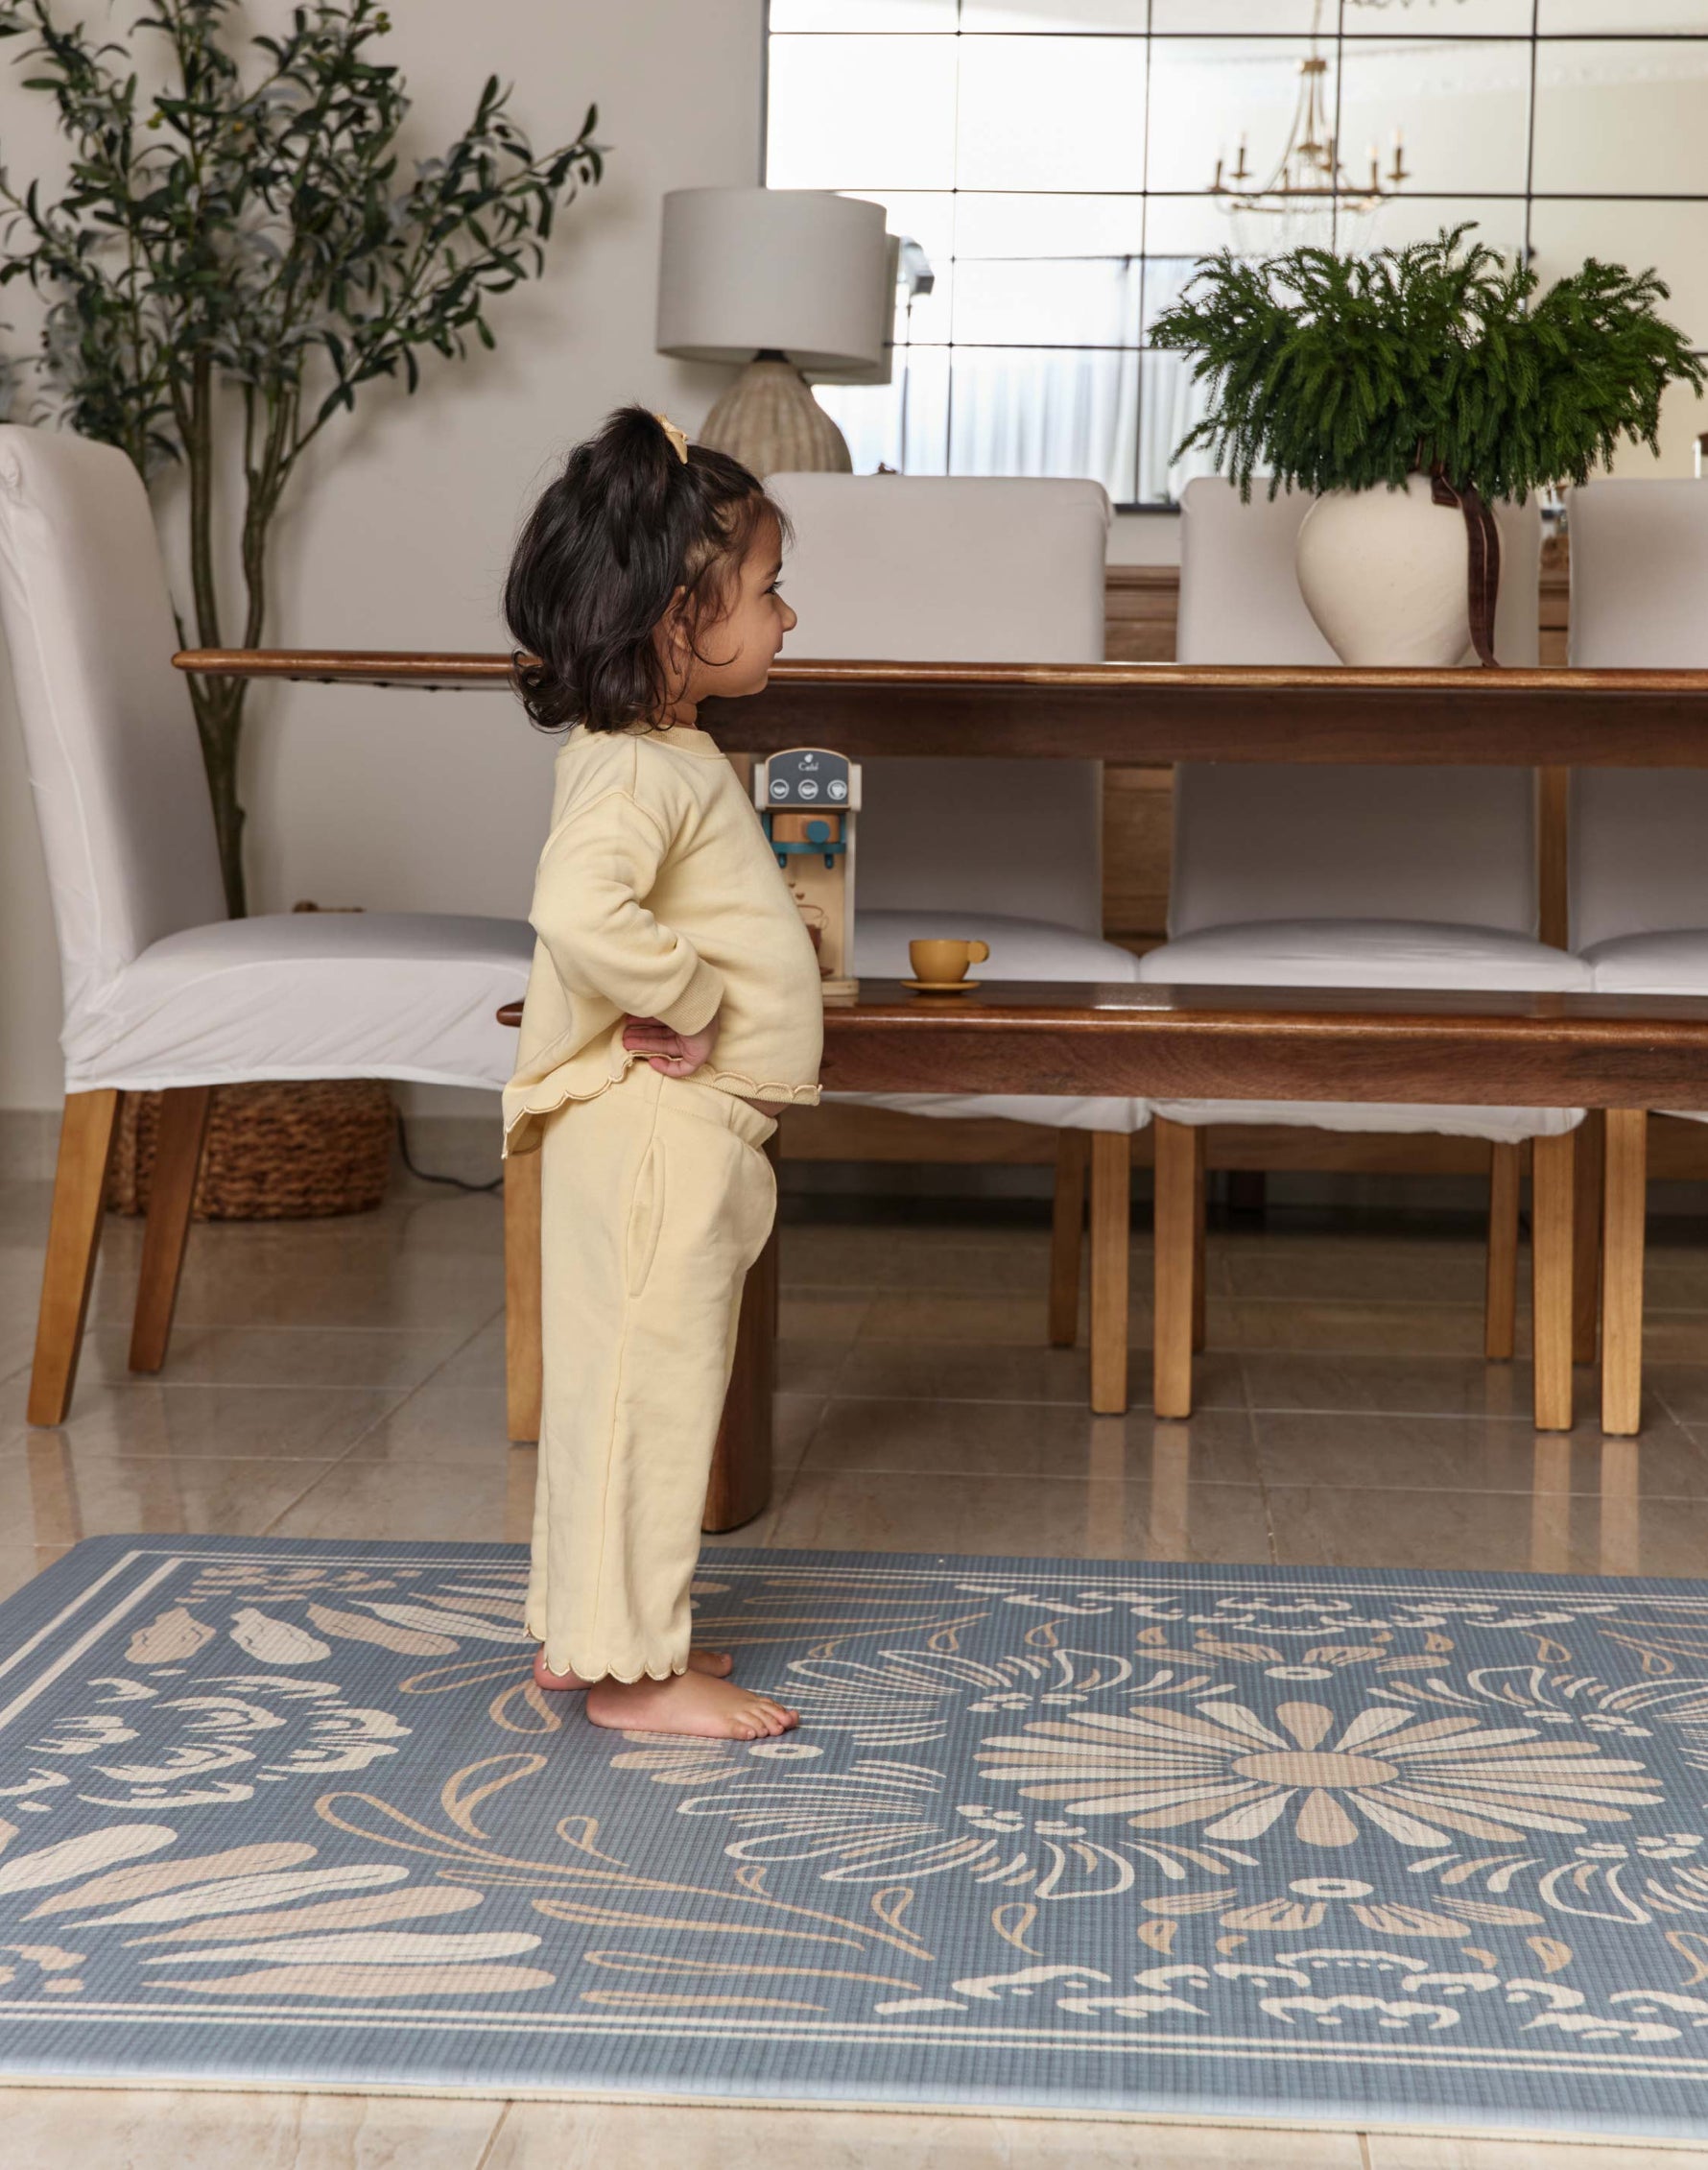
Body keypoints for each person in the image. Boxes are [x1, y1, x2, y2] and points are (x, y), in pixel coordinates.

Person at [500, 406, 822, 1739]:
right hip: (658, 1141)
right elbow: (579, 910)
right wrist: (691, 994)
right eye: (765, 591)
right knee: (650, 1396)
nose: (789, 618)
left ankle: (593, 1634)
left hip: (680, 1141)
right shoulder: (642, 771)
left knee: (622, 1390)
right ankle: (634, 1678)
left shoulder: (662, 755)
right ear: (672, 622)